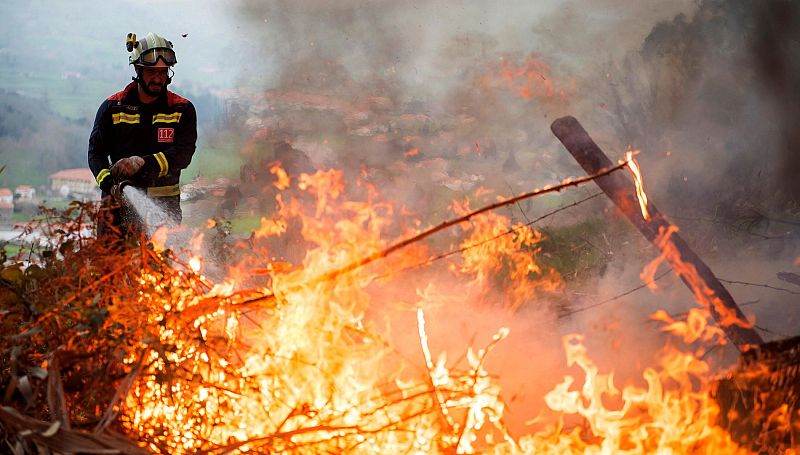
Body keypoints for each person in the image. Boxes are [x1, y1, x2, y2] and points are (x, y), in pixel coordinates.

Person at [88, 32, 197, 237]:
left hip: (164, 208)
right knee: (111, 267)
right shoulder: (113, 107)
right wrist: (110, 185)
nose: (158, 78)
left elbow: (184, 154)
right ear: (138, 70)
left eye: (163, 72)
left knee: (163, 266)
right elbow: (96, 153)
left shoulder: (182, 109)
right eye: (151, 71)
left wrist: (142, 162)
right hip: (116, 210)